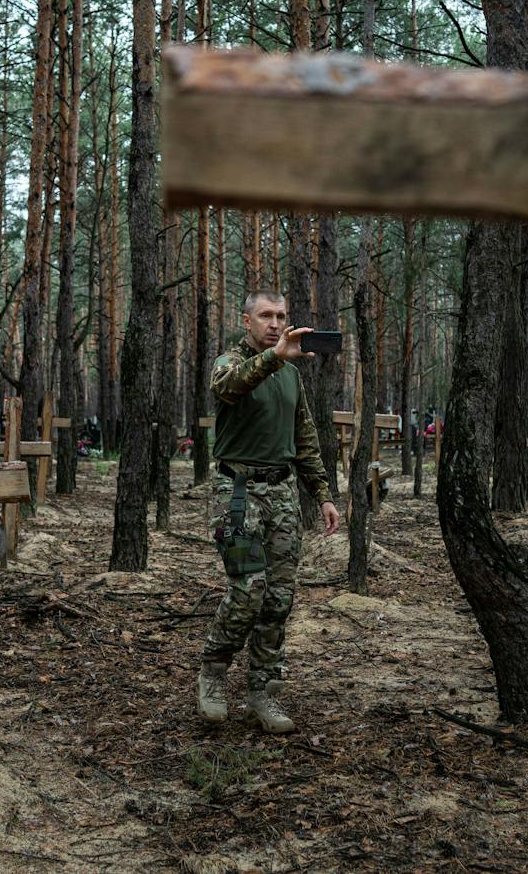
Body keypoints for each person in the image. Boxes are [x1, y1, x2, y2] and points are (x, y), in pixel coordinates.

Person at [197, 289, 340, 734]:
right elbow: (229, 387)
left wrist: (323, 493)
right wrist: (276, 357)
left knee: (279, 598)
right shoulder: (229, 362)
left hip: (281, 495)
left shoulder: (291, 376)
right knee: (248, 589)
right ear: (247, 321)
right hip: (236, 494)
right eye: (266, 316)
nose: (275, 323)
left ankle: (263, 690)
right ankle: (214, 674)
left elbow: (306, 438)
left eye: (281, 315)